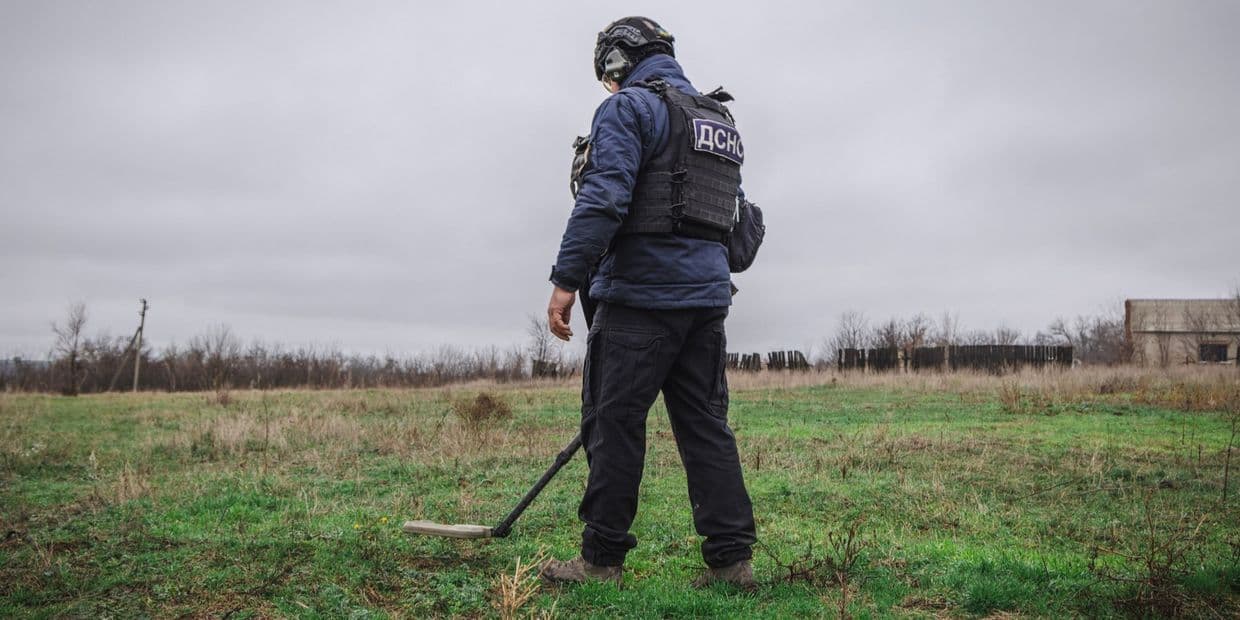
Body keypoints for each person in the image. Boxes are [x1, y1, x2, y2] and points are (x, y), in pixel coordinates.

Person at [539, 16, 759, 589]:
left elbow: (604, 197)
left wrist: (566, 280)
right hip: (707, 304)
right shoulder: (717, 118)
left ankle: (601, 560)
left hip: (640, 298)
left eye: (608, 71)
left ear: (617, 60)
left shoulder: (628, 109)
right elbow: (741, 223)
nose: (608, 84)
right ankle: (732, 562)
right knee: (707, 427)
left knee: (613, 424)